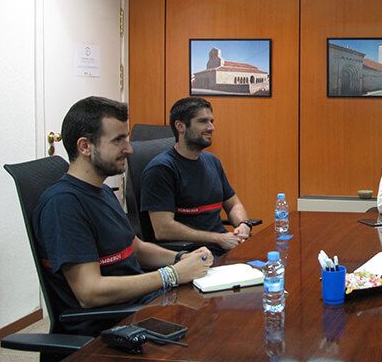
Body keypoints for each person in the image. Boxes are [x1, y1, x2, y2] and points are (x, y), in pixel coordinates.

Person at [33, 97, 212, 335]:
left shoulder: (103, 191)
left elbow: (136, 248)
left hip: (141, 307)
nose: (129, 148)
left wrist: (181, 257)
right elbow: (90, 292)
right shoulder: (63, 204)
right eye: (118, 140)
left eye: (126, 138)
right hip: (111, 330)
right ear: (85, 146)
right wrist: (173, 275)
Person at [141, 97, 254, 253]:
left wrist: (243, 225)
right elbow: (163, 229)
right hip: (193, 254)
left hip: (225, 247)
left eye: (211, 121)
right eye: (203, 121)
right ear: (180, 126)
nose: (211, 127)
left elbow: (234, 204)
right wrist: (218, 238)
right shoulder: (161, 169)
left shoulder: (212, 161)